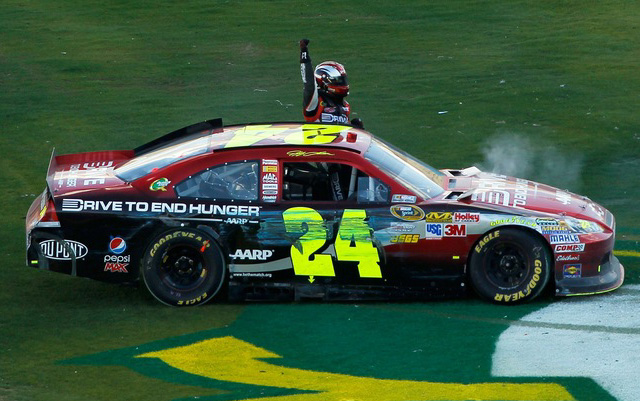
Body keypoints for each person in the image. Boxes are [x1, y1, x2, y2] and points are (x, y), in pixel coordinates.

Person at [299, 39, 363, 128]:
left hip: (337, 142)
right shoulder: (315, 102)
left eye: (342, 80)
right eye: (338, 81)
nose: (342, 84)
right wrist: (304, 54)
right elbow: (309, 85)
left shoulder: (345, 106)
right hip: (316, 141)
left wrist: (355, 129)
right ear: (323, 83)